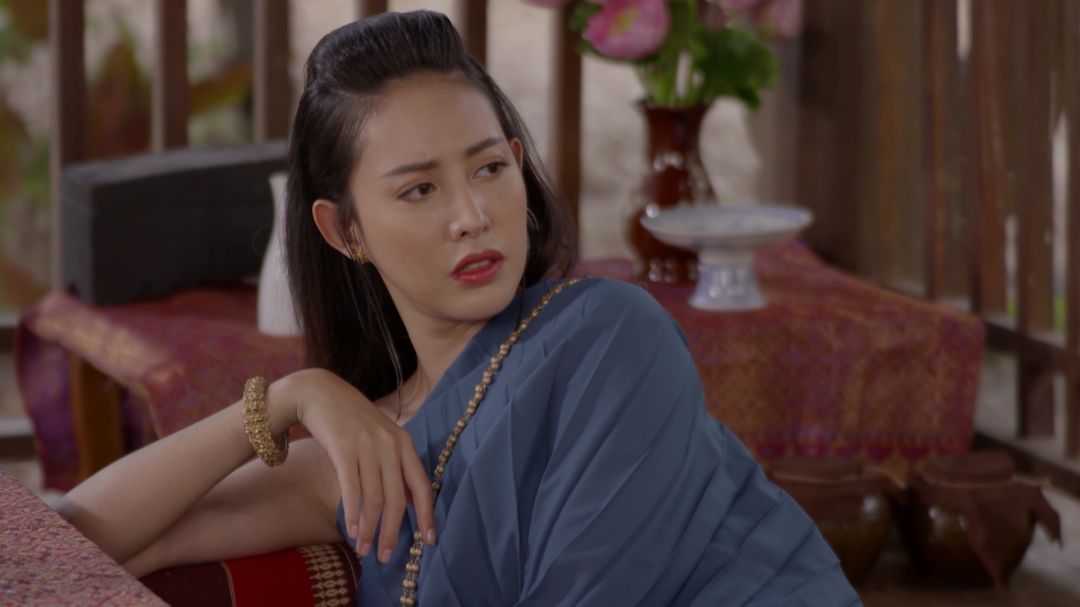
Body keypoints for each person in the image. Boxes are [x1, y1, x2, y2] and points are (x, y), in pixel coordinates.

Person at [57, 10, 859, 606]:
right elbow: (70, 538)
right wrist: (296, 396)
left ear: (517, 163)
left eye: (487, 169)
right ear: (344, 230)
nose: (471, 215)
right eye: (419, 189)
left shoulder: (611, 336)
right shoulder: (364, 457)